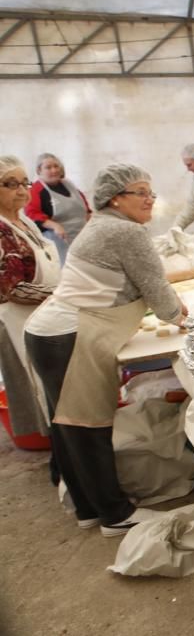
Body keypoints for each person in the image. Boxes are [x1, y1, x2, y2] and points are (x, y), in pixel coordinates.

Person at [24, 163, 185, 537]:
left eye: (151, 193)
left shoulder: (102, 225)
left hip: (52, 332)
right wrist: (179, 316)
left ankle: (88, 509)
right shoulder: (124, 231)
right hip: (70, 335)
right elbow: (155, 289)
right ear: (115, 197)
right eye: (140, 192)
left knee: (67, 427)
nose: (149, 200)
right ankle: (115, 515)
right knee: (87, 426)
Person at [0, 156, 61, 448]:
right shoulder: (1, 230)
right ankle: (57, 453)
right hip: (17, 320)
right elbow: (12, 288)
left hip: (42, 315)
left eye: (24, 182)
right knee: (36, 386)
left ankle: (63, 446)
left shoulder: (22, 221)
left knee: (51, 386)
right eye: (10, 184)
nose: (22, 190)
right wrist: (61, 295)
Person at [25, 153, 91, 264]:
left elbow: (86, 209)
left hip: (82, 237)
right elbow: (32, 214)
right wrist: (55, 225)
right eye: (48, 167)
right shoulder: (36, 190)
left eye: (56, 166)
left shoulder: (69, 185)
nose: (54, 170)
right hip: (57, 240)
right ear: (39, 170)